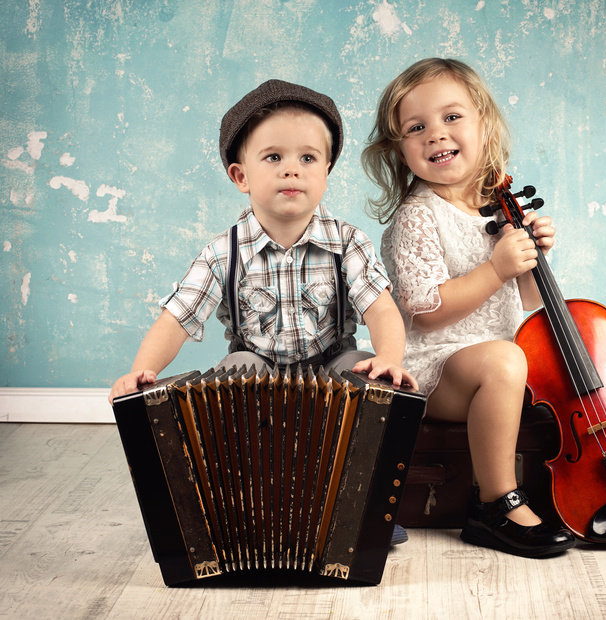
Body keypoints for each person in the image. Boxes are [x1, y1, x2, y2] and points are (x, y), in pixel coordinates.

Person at [362, 58, 576, 558]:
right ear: (400, 150)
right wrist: (496, 268)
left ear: (484, 125)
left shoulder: (497, 211)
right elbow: (427, 309)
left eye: (452, 118)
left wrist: (531, 263)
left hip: (496, 366)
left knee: (532, 357)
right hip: (435, 369)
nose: (436, 134)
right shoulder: (416, 218)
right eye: (417, 128)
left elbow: (525, 303)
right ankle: (495, 503)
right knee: (504, 361)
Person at [109, 78, 416, 401]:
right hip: (259, 378)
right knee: (236, 366)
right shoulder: (222, 253)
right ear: (241, 177)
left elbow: (381, 310)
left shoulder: (348, 242)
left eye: (307, 159)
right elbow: (176, 320)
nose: (291, 170)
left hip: (330, 369)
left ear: (326, 173)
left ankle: (352, 450)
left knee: (360, 367)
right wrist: (141, 370)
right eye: (273, 157)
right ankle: (247, 450)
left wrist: (388, 359)